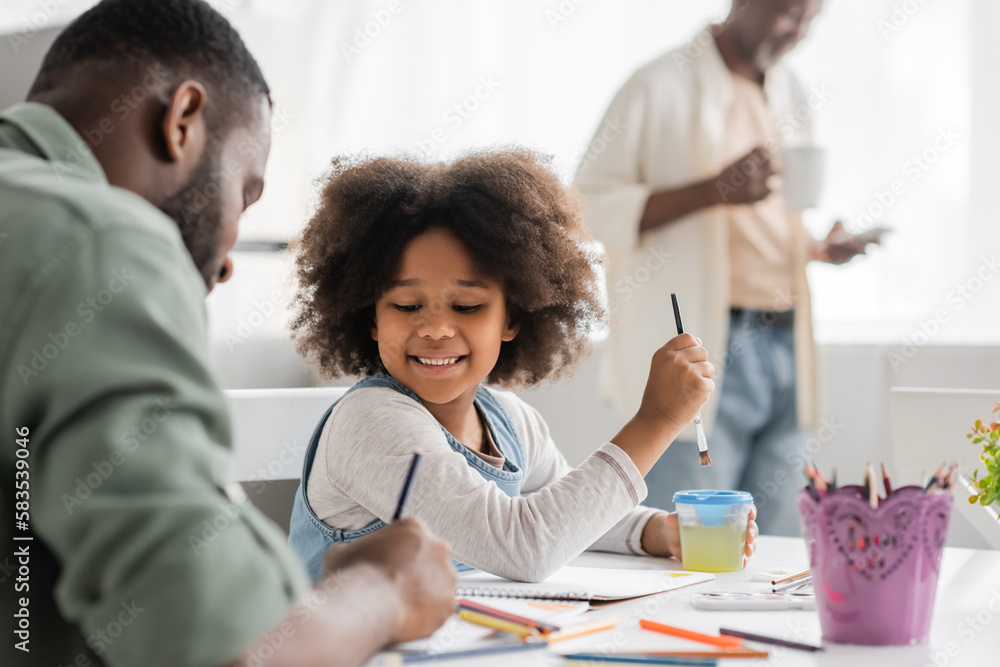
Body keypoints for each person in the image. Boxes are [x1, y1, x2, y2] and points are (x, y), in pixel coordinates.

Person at [0, 2, 454, 666]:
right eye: (245, 192)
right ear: (182, 119)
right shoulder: (101, 237)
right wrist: (383, 588)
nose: (230, 257)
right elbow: (223, 648)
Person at [285, 149, 759, 583]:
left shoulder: (510, 422)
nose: (435, 329)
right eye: (407, 306)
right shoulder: (372, 424)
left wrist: (657, 531)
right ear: (369, 317)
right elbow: (525, 546)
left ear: (512, 318)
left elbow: (565, 512)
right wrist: (657, 420)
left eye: (466, 307)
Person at [574, 0, 879, 535]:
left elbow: (760, 225)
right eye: (786, 12)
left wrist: (815, 247)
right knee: (689, 536)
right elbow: (587, 207)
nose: (796, 31)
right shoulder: (656, 84)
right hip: (707, 345)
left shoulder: (791, 92)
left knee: (773, 538)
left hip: (784, 341)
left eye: (810, 18)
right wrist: (713, 190)